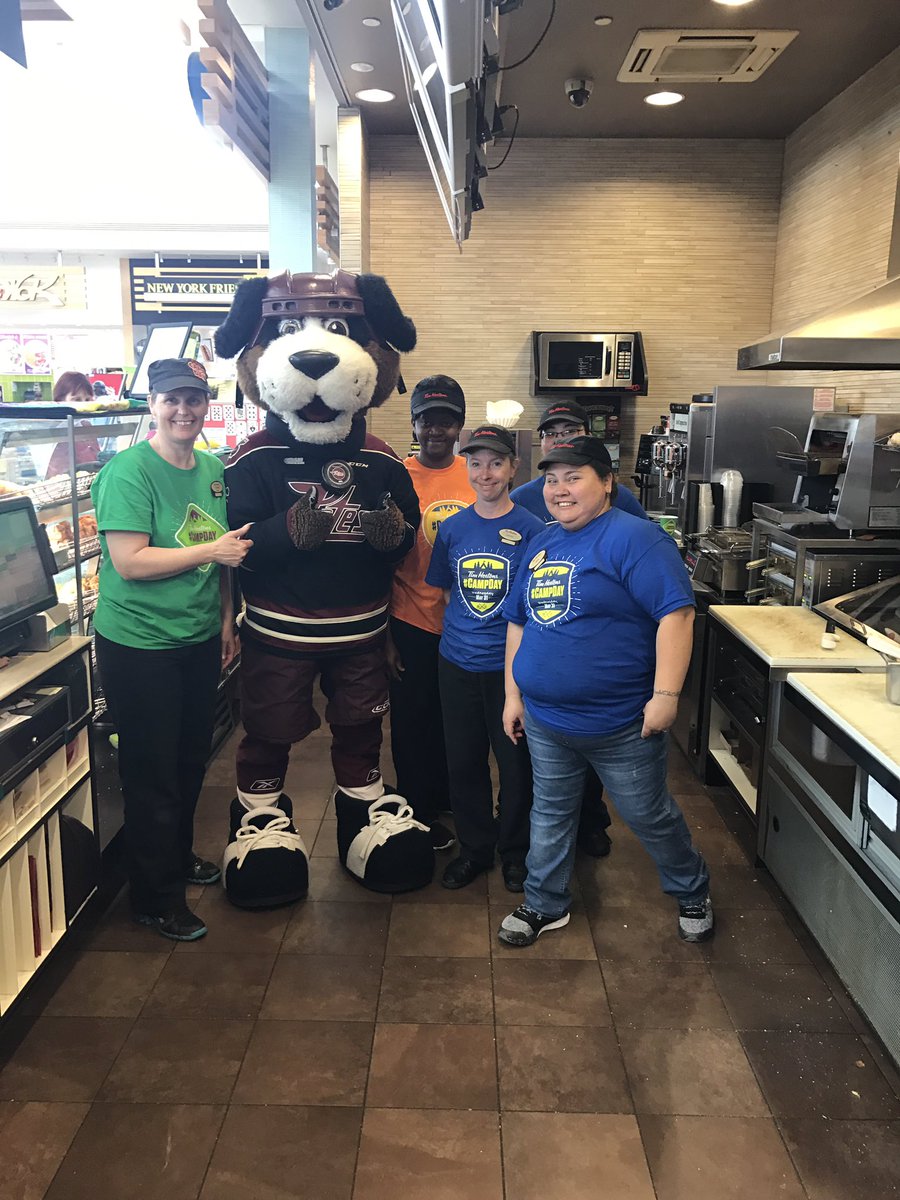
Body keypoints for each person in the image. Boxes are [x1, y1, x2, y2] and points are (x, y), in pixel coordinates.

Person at [498, 435, 712, 948]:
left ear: (608, 482)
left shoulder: (636, 538)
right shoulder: (543, 541)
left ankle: (692, 889)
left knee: (648, 815)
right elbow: (519, 622)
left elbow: (677, 615)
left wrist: (666, 697)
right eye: (552, 479)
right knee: (550, 812)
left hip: (620, 724)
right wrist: (513, 695)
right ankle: (545, 902)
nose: (559, 489)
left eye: (574, 478)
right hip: (547, 720)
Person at [92, 357, 252, 941]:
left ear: (206, 403)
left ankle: (175, 857)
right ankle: (153, 898)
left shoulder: (211, 468)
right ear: (153, 406)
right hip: (140, 645)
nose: (183, 410)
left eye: (193, 399)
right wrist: (211, 554)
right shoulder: (129, 472)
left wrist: (225, 620)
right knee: (152, 772)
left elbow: (223, 552)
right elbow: (130, 562)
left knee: (189, 760)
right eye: (171, 400)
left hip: (197, 637)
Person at [511, 400, 649, 859]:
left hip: (603, 669)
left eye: (569, 430)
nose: (559, 439)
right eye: (551, 433)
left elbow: (643, 564)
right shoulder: (525, 497)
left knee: (602, 771)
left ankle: (591, 823)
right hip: (544, 648)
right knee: (547, 778)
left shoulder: (621, 504)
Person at [425, 424, 543, 891]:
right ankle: (475, 849)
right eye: (476, 463)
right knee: (463, 762)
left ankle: (514, 851)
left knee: (516, 766)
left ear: (513, 468)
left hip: (510, 670)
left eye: (496, 463)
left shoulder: (533, 530)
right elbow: (445, 592)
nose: (485, 473)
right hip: (456, 664)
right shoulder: (453, 527)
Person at [388, 374, 476, 850]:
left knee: (459, 722)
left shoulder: (477, 473)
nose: (436, 430)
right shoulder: (396, 475)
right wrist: (384, 635)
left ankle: (450, 798)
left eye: (446, 421)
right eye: (427, 420)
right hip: (409, 619)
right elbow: (381, 557)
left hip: (467, 626)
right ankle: (417, 808)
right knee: (412, 722)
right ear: (414, 424)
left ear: (459, 426)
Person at [46, 371, 102, 478]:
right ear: (60, 400)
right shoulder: (59, 430)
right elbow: (57, 473)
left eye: (87, 399)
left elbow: (96, 458)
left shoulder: (86, 425)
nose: (84, 405)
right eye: (77, 400)